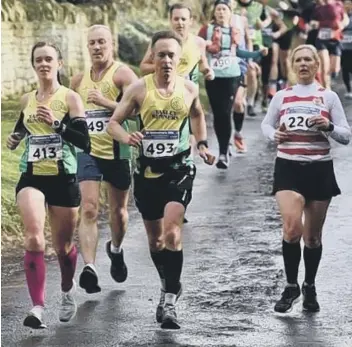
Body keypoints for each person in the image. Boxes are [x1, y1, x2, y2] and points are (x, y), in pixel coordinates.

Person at [107, 30, 214, 329]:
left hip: (179, 168)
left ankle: (168, 300)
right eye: (161, 55)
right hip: (146, 172)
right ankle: (169, 283)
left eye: (172, 55)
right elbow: (113, 123)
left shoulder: (190, 88)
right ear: (152, 58)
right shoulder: (139, 90)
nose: (166, 60)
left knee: (172, 232)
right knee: (155, 241)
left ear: (180, 60)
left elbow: (197, 115)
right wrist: (128, 137)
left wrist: (202, 144)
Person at [261, 44, 351, 313]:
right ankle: (291, 285)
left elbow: (346, 136)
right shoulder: (282, 96)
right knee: (291, 229)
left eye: (308, 60)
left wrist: (329, 127)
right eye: (298, 59)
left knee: (312, 238)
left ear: (316, 65)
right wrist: (273, 135)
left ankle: (309, 285)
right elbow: (267, 124)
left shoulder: (329, 97)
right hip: (288, 166)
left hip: (319, 169)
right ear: (292, 64)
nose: (303, 64)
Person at [6, 41, 90, 328]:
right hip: (31, 176)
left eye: (48, 59)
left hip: (63, 178)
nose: (43, 64)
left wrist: (58, 125)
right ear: (33, 65)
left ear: (59, 64)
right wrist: (15, 139)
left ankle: (67, 291)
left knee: (63, 247)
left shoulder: (70, 99)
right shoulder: (27, 99)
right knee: (33, 238)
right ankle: (37, 307)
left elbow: (84, 141)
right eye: (38, 60)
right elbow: (23, 125)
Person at [70, 25, 138, 293]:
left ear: (112, 45)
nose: (97, 47)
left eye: (102, 42)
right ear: (87, 47)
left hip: (117, 151)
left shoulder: (122, 74)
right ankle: (90, 268)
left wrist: (106, 103)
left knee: (119, 212)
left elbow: (137, 112)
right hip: (88, 151)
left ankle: (116, 249)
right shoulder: (77, 81)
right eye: (92, 43)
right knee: (88, 208)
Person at [198, 0, 268, 169]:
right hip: (212, 76)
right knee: (218, 113)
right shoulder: (206, 30)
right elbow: (196, 48)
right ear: (214, 13)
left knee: (226, 110)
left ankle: (223, 152)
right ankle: (225, 144)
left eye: (224, 9)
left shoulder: (234, 31)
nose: (221, 12)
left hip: (232, 75)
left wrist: (257, 53)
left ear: (230, 13)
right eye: (218, 10)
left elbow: (240, 52)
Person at [341, 0, 352, 98]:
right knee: (345, 69)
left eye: (349, 4)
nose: (347, 6)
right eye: (345, 4)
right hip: (343, 47)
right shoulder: (341, 16)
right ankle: (348, 89)